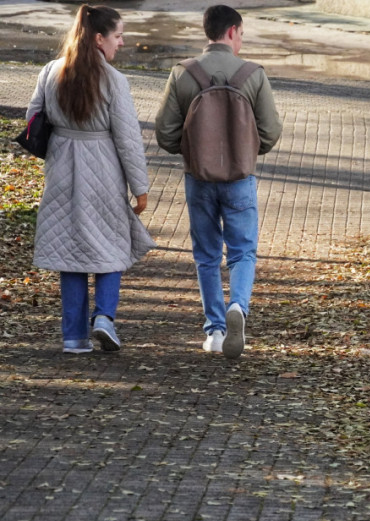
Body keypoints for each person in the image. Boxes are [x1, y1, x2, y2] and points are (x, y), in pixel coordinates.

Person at [26, 4, 155, 354]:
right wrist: (140, 188)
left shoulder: (51, 71)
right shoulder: (113, 80)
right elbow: (127, 139)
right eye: (118, 36)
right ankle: (104, 319)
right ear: (100, 39)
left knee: (70, 253)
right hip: (103, 171)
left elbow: (33, 116)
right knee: (112, 245)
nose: (122, 43)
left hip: (61, 170)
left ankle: (73, 338)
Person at [155, 4, 282, 358]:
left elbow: (165, 134)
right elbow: (270, 134)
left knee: (207, 255)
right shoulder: (253, 74)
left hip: (199, 178)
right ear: (231, 32)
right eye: (241, 33)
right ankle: (238, 306)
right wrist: (246, 147)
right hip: (240, 177)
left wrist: (193, 148)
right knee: (242, 252)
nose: (242, 40)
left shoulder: (183, 74)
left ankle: (214, 330)